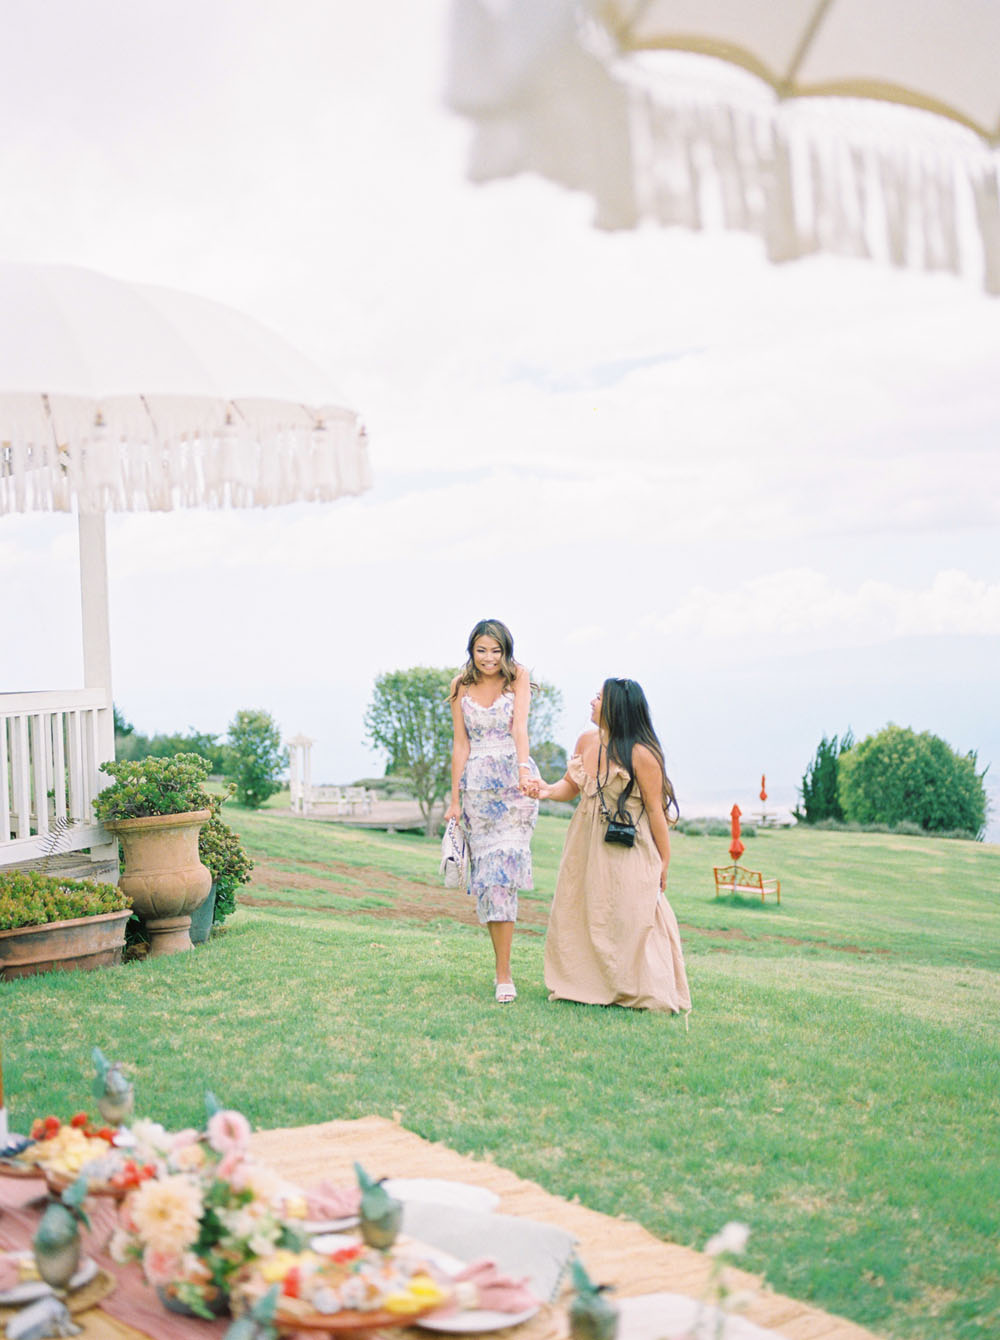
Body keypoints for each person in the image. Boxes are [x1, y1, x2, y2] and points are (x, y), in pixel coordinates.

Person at [538, 678, 690, 1015]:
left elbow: (655, 811)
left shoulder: (642, 755)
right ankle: (585, 983)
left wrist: (664, 861)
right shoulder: (585, 740)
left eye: (598, 697)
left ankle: (635, 988)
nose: (591, 702)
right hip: (585, 841)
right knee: (583, 908)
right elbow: (570, 786)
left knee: (631, 913)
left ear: (615, 708)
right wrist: (545, 790)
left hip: (629, 845)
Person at [445, 619, 540, 1003]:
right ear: (471, 650)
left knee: (504, 872)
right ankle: (501, 968)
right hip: (476, 791)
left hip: (514, 787)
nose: (489, 658)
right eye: (482, 650)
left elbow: (520, 728)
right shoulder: (459, 686)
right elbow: (460, 746)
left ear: (506, 650)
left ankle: (505, 976)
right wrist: (454, 800)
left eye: (495, 650)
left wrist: (521, 768)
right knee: (488, 879)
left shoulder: (518, 676)